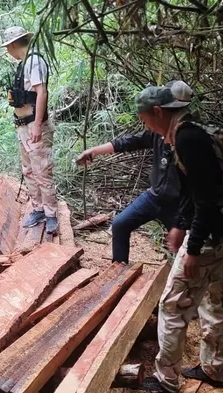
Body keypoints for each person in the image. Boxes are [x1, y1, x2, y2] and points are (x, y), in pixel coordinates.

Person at [131, 84, 223, 393]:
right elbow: (195, 191)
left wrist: (194, 247)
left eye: (145, 120)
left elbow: (207, 199)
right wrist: (181, 225)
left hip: (209, 236)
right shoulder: (191, 131)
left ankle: (167, 380)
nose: (147, 127)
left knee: (172, 305)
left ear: (158, 112)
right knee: (215, 300)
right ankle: (212, 369)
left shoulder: (186, 139)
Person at [75, 81, 194, 263]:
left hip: (178, 206)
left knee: (183, 252)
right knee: (120, 224)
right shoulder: (159, 131)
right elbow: (130, 142)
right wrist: (95, 151)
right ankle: (118, 272)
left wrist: (181, 224)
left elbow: (196, 188)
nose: (147, 126)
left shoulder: (188, 138)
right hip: (155, 196)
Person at [2, 26, 59, 234]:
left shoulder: (34, 61)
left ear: (14, 44)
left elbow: (41, 92)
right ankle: (38, 209)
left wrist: (36, 124)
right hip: (23, 126)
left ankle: (51, 214)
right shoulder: (24, 63)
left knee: (42, 171)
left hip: (34, 126)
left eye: (8, 45)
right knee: (29, 170)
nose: (7, 49)